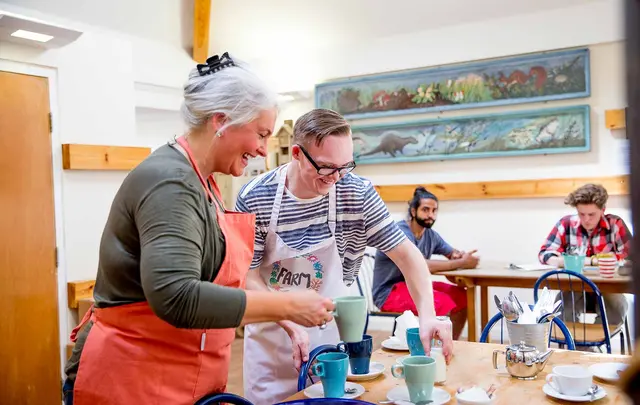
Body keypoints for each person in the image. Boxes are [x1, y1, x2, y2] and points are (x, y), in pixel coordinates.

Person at [62, 53, 335, 405]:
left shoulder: (202, 181)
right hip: (131, 378)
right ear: (221, 121)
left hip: (175, 375)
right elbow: (177, 296)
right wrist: (286, 306)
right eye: (261, 134)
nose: (264, 151)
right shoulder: (170, 182)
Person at [235, 109, 454, 405]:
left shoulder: (356, 193)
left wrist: (427, 316)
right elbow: (246, 274)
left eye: (345, 166)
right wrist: (287, 317)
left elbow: (408, 257)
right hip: (273, 339)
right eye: (326, 168)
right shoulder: (256, 197)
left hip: (330, 336)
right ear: (297, 153)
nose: (336, 178)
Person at [372, 187, 478, 340]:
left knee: (461, 296)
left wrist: (459, 255)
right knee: (442, 302)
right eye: (425, 210)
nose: (431, 215)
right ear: (413, 212)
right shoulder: (398, 232)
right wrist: (462, 262)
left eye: (434, 210)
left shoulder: (430, 235)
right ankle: (435, 352)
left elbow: (451, 253)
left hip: (414, 285)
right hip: (389, 292)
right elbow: (420, 265)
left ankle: (450, 343)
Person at [538, 183, 632, 331]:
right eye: (582, 214)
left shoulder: (615, 224)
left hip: (607, 288)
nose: (586, 219)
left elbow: (631, 257)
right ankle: (576, 348)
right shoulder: (566, 224)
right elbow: (544, 254)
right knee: (561, 309)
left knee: (616, 308)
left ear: (603, 210)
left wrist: (606, 261)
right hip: (574, 286)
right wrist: (569, 261)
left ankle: (597, 346)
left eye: (592, 214)